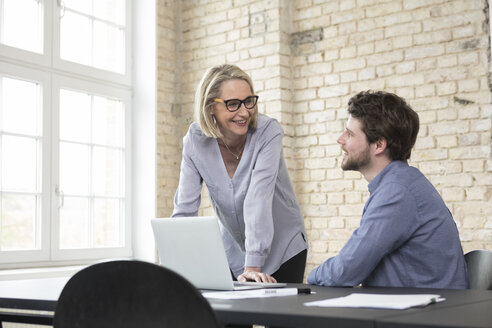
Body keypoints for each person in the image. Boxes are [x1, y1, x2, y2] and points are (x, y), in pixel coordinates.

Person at [307, 90, 468, 289]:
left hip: (425, 315)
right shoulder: (400, 183)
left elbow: (345, 271)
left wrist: (311, 275)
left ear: (379, 145)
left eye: (349, 133)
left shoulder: (397, 192)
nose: (340, 139)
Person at [172, 64, 308, 283]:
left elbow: (258, 198)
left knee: (280, 315)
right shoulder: (195, 141)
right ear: (210, 107)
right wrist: (178, 264)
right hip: (234, 249)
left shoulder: (268, 132)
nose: (244, 112)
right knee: (231, 316)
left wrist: (253, 267)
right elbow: (185, 209)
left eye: (248, 102)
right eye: (233, 104)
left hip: (283, 247)